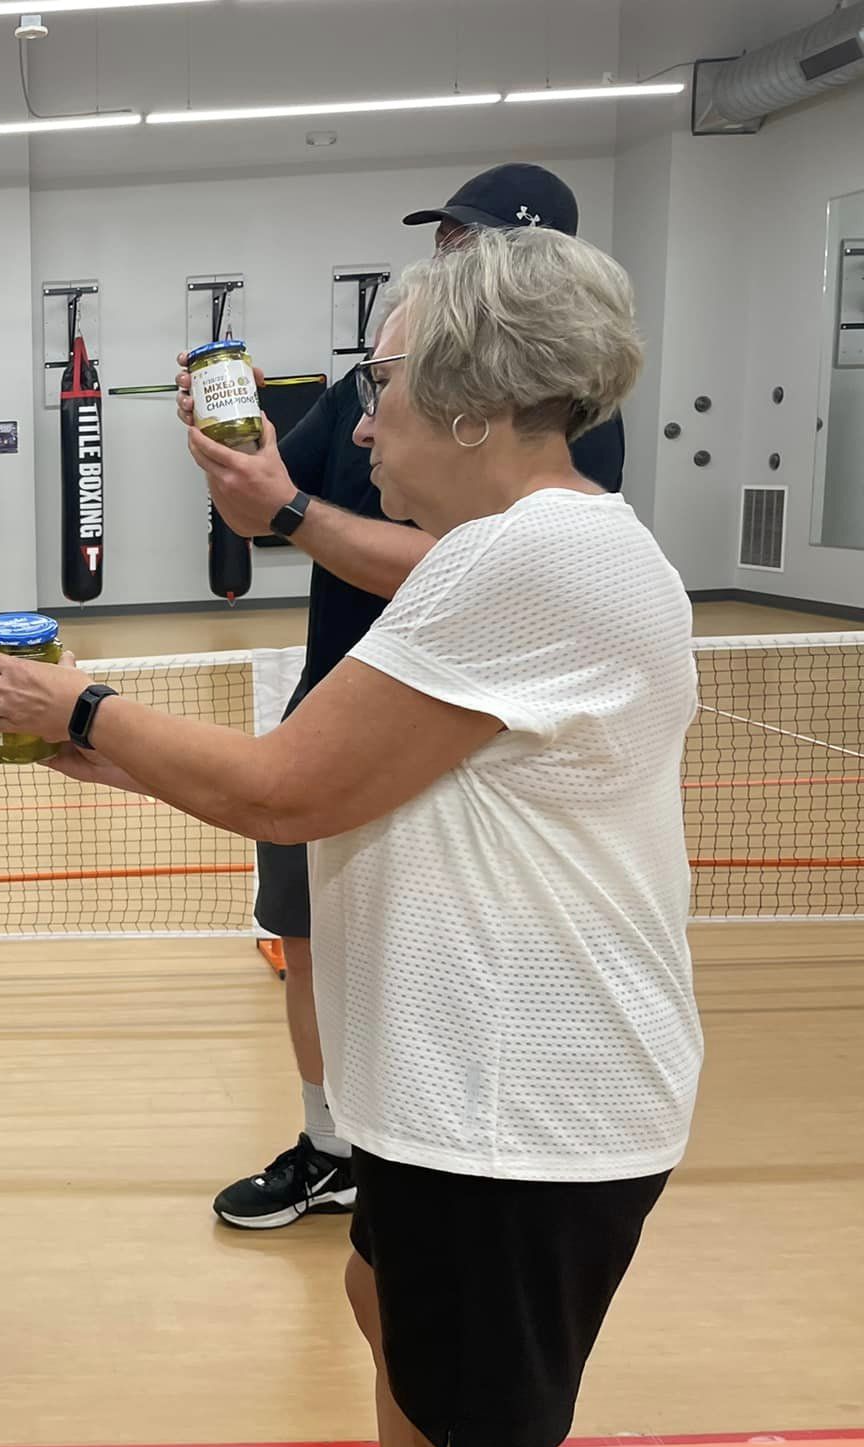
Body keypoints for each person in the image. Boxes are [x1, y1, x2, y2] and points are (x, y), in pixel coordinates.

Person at [0, 227, 699, 1447]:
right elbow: (355, 779)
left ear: (471, 404)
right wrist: (126, 760)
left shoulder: (520, 560)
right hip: (466, 1102)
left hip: (512, 1117)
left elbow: (287, 789)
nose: (361, 426)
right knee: (382, 1307)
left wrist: (81, 708)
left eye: (382, 384)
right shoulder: (540, 548)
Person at [185, 163, 628, 1230]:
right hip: (331, 691)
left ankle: (428, 1153)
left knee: (425, 950)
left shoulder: (568, 417)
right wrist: (235, 459)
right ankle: (331, 1147)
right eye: (444, 239)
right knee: (306, 942)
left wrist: (291, 515)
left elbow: (482, 572)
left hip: (454, 725)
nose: (445, 258)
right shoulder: (369, 385)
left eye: (471, 243)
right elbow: (261, 511)